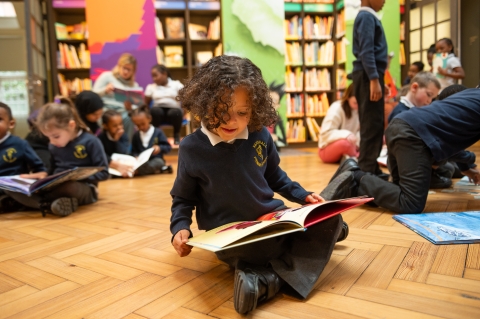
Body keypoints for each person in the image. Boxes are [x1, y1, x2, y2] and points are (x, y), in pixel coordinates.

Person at [170, 55, 346, 315]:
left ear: (254, 108)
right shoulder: (191, 148)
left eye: (242, 113)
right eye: (223, 112)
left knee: (331, 219)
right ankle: (274, 277)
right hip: (232, 236)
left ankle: (267, 276)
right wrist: (179, 227)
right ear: (203, 104)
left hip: (271, 219)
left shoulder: (259, 134)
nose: (233, 122)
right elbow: (183, 199)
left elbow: (274, 175)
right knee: (262, 250)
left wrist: (302, 195)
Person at [321, 88, 480, 215]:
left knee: (397, 192)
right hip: (412, 135)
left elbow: (453, 137)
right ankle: (355, 177)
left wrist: (467, 168)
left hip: (401, 125)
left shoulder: (470, 95)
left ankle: (357, 179)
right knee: (411, 203)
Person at [5, 102, 109, 217]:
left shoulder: (91, 141)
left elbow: (104, 173)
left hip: (82, 188)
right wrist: (42, 177)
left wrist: (77, 176)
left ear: (71, 125)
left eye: (55, 136)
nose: (51, 142)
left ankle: (35, 203)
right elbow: (53, 170)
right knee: (10, 188)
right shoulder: (53, 145)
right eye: (48, 137)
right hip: (54, 186)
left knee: (69, 186)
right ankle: (49, 206)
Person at [352, 0, 388, 179]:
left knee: (374, 123)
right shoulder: (366, 16)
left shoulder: (369, 16)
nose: (384, 1)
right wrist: (374, 78)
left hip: (370, 75)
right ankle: (366, 172)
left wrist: (379, 79)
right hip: (367, 76)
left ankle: (370, 167)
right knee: (371, 124)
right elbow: (367, 51)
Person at [0, 102, 47, 212]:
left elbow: (40, 170)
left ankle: (44, 205)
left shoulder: (20, 144)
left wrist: (37, 176)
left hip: (13, 187)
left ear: (11, 124)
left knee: (14, 192)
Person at [93, 53, 142, 141]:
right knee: (108, 119)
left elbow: (136, 106)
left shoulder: (134, 85)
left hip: (122, 112)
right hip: (106, 109)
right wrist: (105, 90)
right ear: (119, 66)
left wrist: (130, 108)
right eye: (124, 68)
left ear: (133, 71)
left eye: (129, 70)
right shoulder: (107, 76)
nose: (126, 71)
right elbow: (93, 95)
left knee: (130, 117)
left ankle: (127, 147)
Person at [318, 84, 359, 163]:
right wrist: (346, 135)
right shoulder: (337, 108)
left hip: (354, 145)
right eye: (355, 103)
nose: (359, 106)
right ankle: (357, 157)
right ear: (347, 97)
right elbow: (326, 133)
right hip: (328, 147)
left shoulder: (361, 108)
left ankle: (352, 156)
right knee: (345, 144)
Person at [145, 64, 184, 145]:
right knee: (155, 111)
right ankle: (155, 137)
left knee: (176, 112)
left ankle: (176, 135)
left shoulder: (176, 84)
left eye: (156, 75)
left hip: (173, 112)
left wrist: (185, 111)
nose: (154, 79)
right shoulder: (151, 87)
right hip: (158, 114)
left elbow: (185, 97)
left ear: (164, 74)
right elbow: (146, 103)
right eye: (152, 76)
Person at [130, 105, 173, 175]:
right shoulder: (136, 135)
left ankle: (138, 172)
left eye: (143, 124)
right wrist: (136, 156)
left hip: (155, 159)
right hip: (141, 162)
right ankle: (159, 169)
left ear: (149, 118)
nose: (141, 127)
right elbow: (134, 151)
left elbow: (168, 147)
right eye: (137, 125)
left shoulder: (158, 132)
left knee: (159, 162)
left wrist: (159, 148)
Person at [98, 110, 132, 178]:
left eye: (120, 124)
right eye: (115, 126)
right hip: (109, 165)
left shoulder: (123, 135)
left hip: (122, 162)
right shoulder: (101, 138)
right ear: (105, 126)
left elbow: (123, 153)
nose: (119, 127)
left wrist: (116, 141)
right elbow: (103, 156)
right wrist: (114, 141)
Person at [268, 81, 287, 151]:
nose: (270, 103)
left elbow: (284, 140)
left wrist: (276, 137)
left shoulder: (278, 120)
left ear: (278, 105)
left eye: (274, 101)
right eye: (268, 99)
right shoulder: (258, 117)